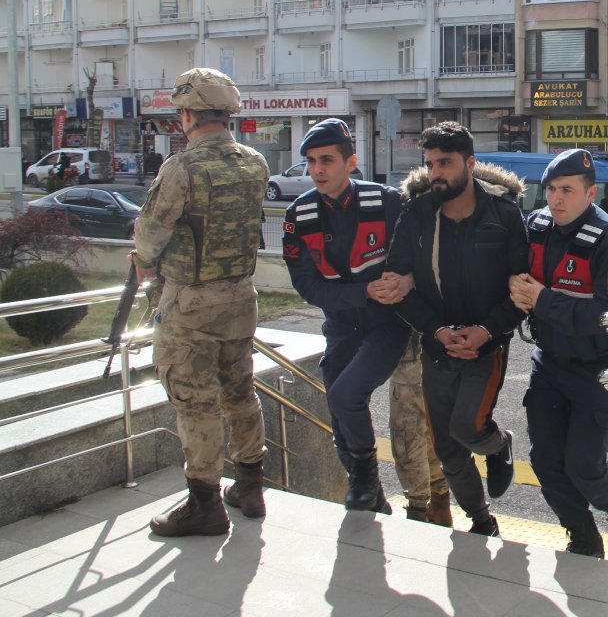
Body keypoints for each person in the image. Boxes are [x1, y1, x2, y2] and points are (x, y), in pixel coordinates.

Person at [131, 68, 269, 537]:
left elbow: (150, 236)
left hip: (191, 302)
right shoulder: (254, 161)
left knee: (195, 402)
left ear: (187, 114)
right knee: (240, 390)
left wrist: (145, 262)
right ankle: (251, 484)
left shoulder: (182, 167)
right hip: (240, 297)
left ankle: (205, 503)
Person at [386, 122, 528, 537]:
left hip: (487, 348)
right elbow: (399, 286)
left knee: (467, 428)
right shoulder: (415, 215)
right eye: (429, 164)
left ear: (469, 163)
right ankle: (481, 521)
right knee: (448, 451)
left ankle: (499, 444)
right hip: (437, 347)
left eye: (445, 163)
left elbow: (520, 292)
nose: (435, 173)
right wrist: (435, 331)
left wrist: (486, 331)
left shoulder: (504, 215)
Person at [510, 149, 608, 565]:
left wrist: (542, 300)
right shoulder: (537, 227)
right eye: (550, 189)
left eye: (567, 190)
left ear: (590, 194)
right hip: (549, 361)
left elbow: (607, 314)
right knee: (546, 462)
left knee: (584, 468)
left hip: (597, 368)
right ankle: (583, 537)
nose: (556, 199)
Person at [281, 118, 412, 515]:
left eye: (327, 160)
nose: (317, 170)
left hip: (386, 325)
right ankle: (375, 499)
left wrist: (406, 279)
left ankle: (365, 479)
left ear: (350, 162)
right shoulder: (297, 215)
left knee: (344, 395)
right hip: (340, 326)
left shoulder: (386, 201)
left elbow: (418, 255)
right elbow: (307, 286)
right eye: (310, 162)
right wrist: (361, 291)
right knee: (339, 416)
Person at [389, 333, 452, 525]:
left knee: (407, 433)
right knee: (433, 428)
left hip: (410, 349)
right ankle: (440, 503)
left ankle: (418, 511)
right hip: (441, 350)